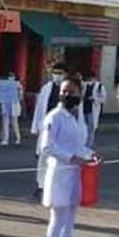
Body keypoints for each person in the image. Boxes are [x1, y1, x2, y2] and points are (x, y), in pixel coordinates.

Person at [40, 77, 98, 237]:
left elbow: (77, 145)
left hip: (75, 176)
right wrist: (71, 158)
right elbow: (47, 147)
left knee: (69, 223)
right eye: (64, 91)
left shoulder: (75, 117)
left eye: (71, 92)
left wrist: (90, 154)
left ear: (80, 94)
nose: (66, 95)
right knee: (57, 222)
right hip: (60, 174)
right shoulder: (54, 117)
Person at [32, 63, 70, 196]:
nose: (57, 75)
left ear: (65, 74)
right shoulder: (46, 88)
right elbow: (39, 108)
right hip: (47, 127)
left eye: (60, 73)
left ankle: (56, 186)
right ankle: (41, 185)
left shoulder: (69, 90)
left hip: (62, 129)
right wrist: (36, 127)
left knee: (59, 159)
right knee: (43, 158)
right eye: (55, 72)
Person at [81, 71, 107, 147]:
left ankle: (88, 145)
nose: (90, 80)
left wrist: (94, 99)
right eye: (88, 79)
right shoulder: (84, 85)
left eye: (91, 78)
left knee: (90, 129)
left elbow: (104, 99)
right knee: (83, 128)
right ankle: (83, 144)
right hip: (84, 109)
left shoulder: (100, 86)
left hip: (92, 111)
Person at [0, 72, 24, 146]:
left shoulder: (18, 85)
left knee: (14, 123)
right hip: (6, 105)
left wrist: (18, 93)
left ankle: (18, 138)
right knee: (5, 123)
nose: (10, 78)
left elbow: (21, 96)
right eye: (9, 76)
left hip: (14, 105)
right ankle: (5, 139)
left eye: (12, 76)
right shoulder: (5, 85)